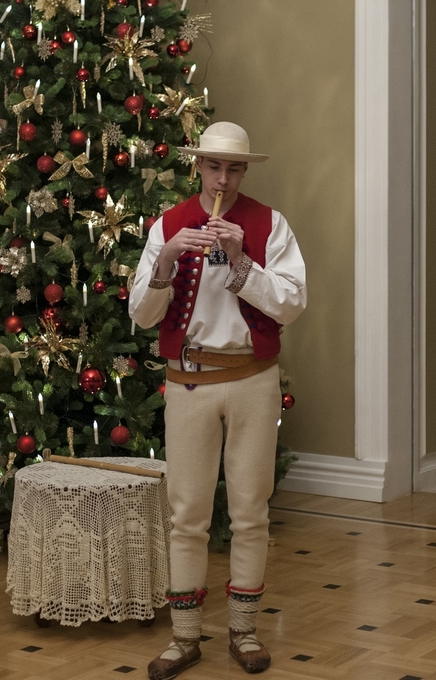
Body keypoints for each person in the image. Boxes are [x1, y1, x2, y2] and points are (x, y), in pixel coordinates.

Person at [129, 121, 307, 679]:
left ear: (244, 171)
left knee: (251, 509)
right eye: (213, 167)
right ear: (198, 166)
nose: (222, 179)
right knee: (187, 512)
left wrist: (240, 261)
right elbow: (142, 316)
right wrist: (165, 261)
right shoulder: (168, 225)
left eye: (233, 169)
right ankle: (184, 638)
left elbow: (292, 303)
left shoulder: (269, 224)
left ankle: (244, 631)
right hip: (189, 381)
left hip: (253, 378)